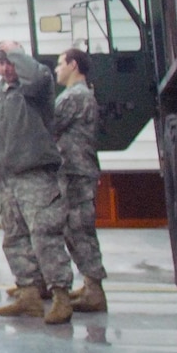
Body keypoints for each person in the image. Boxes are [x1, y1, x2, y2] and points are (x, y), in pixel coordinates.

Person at [0, 40, 74, 324]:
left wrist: (14, 52)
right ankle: (29, 295)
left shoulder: (37, 82)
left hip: (35, 174)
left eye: (9, 59)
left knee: (45, 235)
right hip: (6, 178)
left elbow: (34, 75)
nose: (4, 66)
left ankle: (61, 295)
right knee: (14, 238)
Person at [53, 47, 107, 312]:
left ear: (73, 65)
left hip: (76, 173)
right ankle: (89, 285)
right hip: (76, 171)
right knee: (75, 229)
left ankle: (95, 290)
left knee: (79, 229)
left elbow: (49, 126)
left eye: (60, 64)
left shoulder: (74, 97)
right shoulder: (79, 95)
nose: (56, 69)